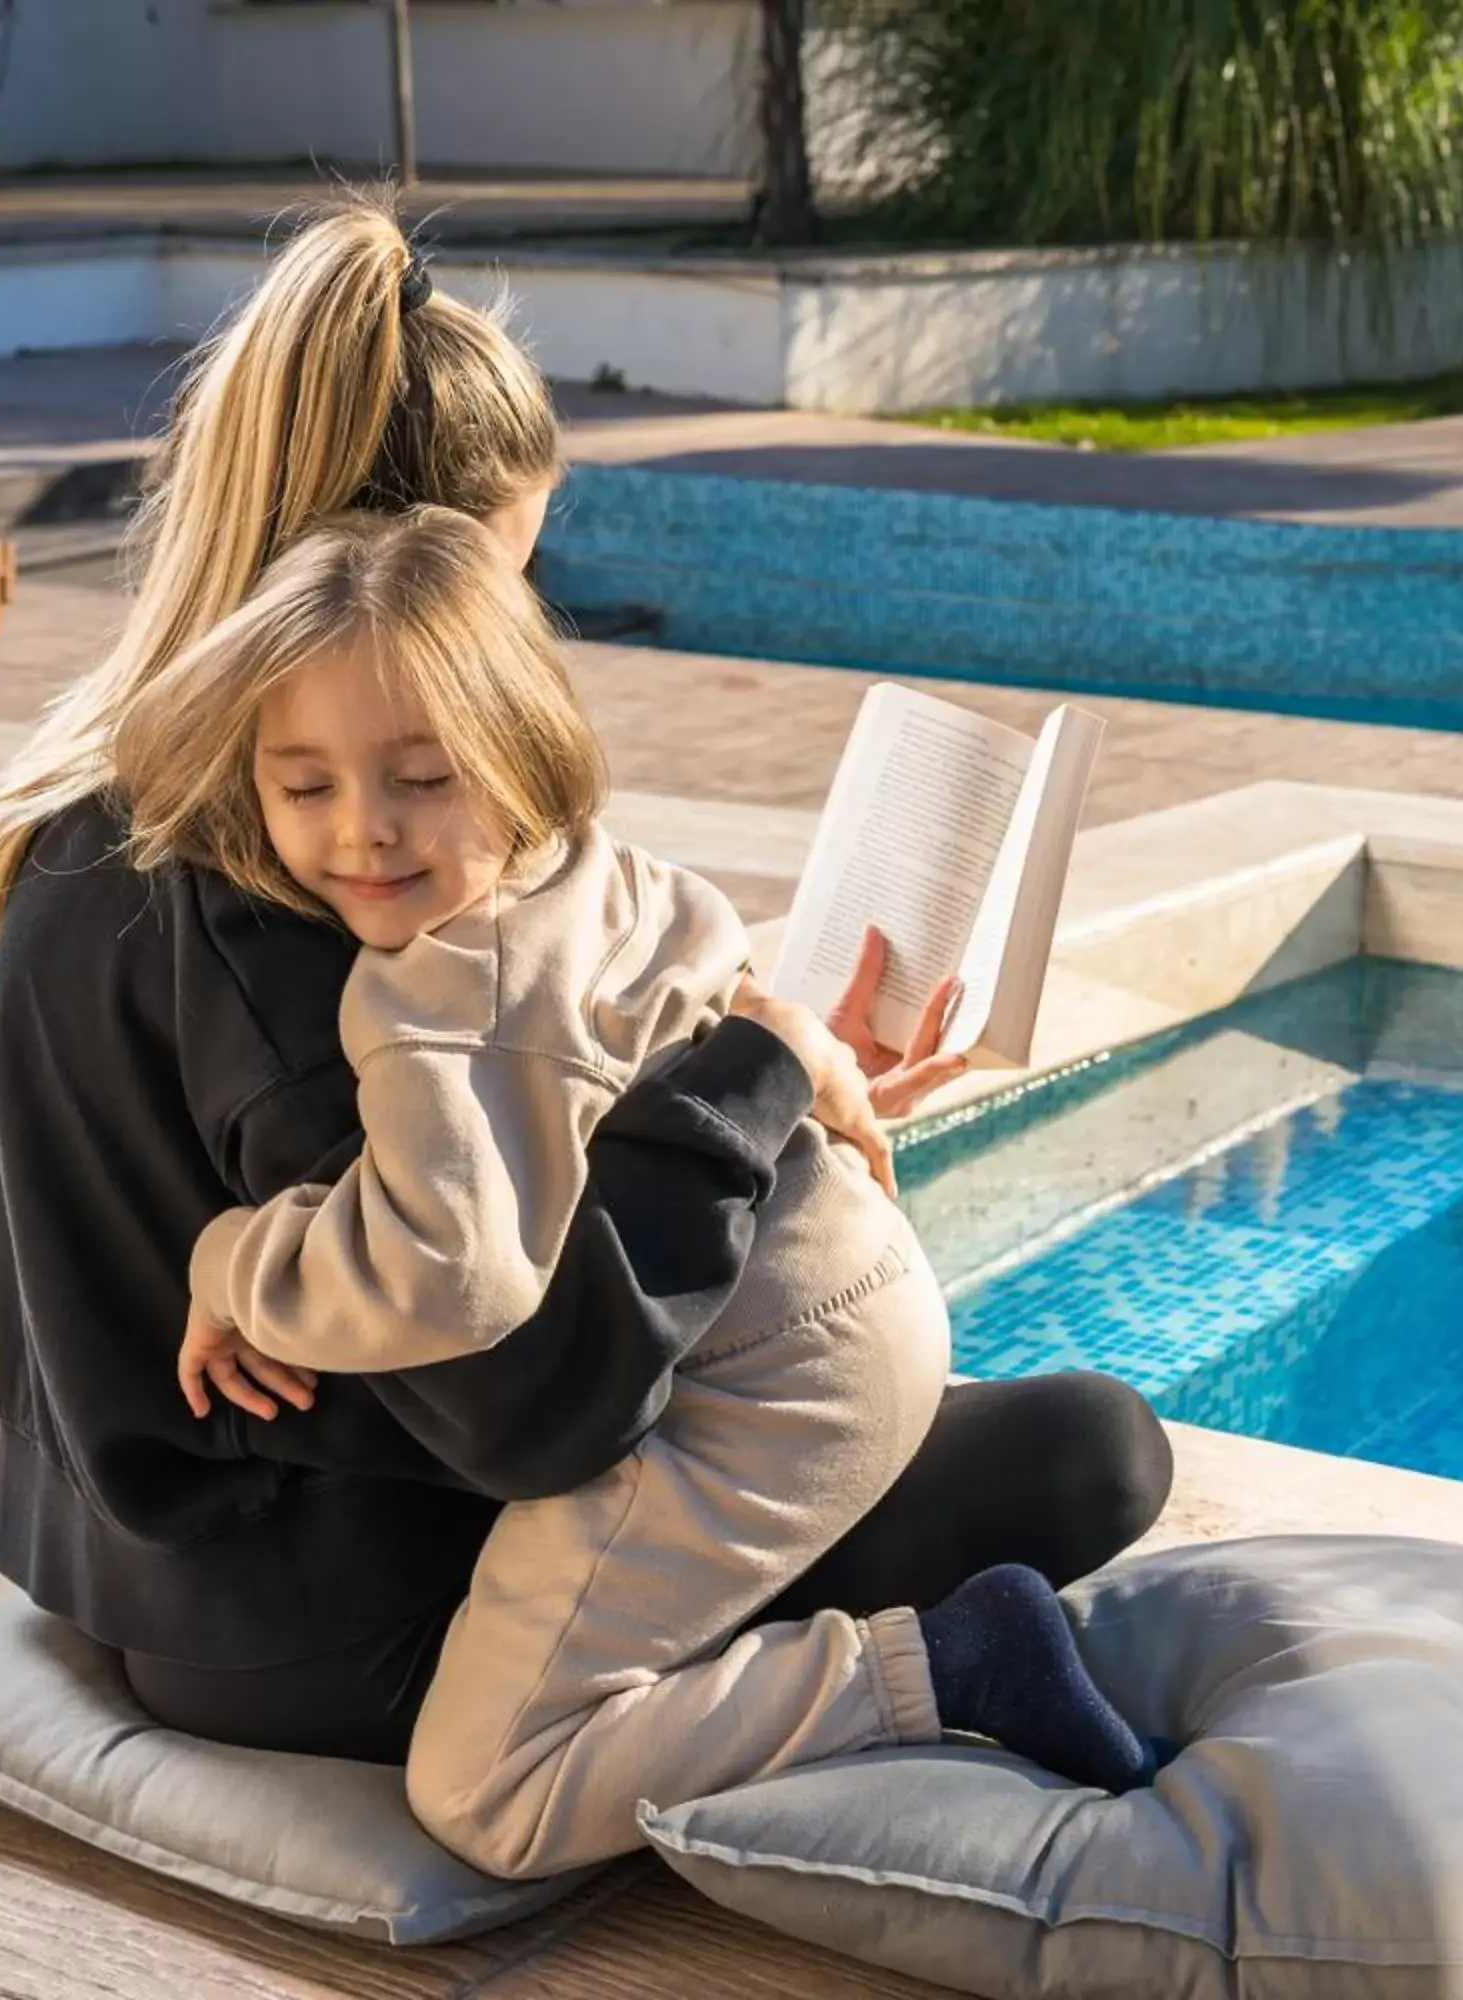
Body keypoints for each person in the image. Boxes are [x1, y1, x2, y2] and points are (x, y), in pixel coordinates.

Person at [0, 197, 1173, 1779]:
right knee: (1093, 1454)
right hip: (338, 1620)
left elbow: (474, 1198)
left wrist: (778, 1061)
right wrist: (751, 1083)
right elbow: (533, 1405)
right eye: (505, 592)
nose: (516, 638)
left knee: (963, 1416)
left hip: (132, 1558)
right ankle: (938, 1678)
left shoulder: (128, 804)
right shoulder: (279, 912)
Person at [131, 507, 1152, 1878]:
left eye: (421, 777)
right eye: (303, 786)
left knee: (487, 1791)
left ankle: (953, 1667)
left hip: (754, 1397)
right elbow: (707, 986)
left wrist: (232, 1264)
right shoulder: (591, 867)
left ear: (519, 757)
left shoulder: (439, 1000)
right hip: (862, 1301)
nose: (363, 831)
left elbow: (451, 1271)